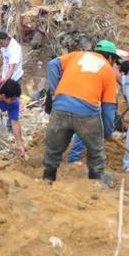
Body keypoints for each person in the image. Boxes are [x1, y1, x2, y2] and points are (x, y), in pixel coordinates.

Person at [42, 41, 120, 186]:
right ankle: (95, 182)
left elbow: (52, 64)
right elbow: (108, 109)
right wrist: (107, 132)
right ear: (110, 58)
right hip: (87, 112)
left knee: (53, 148)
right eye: (114, 60)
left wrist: (55, 90)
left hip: (61, 107)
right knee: (95, 150)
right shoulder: (109, 72)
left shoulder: (77, 55)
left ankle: (48, 178)